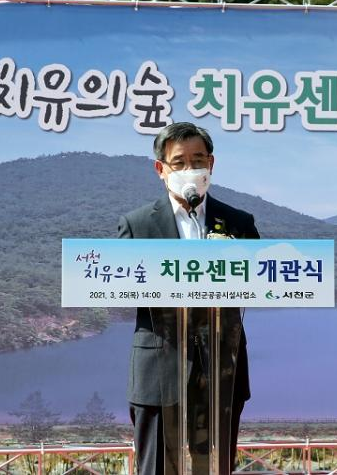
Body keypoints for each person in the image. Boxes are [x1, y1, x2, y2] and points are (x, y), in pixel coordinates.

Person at [117, 122, 259, 475]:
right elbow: (119, 285)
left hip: (222, 369)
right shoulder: (137, 225)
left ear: (211, 164)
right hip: (158, 369)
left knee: (214, 467)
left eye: (198, 160)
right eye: (179, 162)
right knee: (155, 468)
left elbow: (261, 280)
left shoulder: (239, 222)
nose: (189, 169)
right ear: (160, 169)